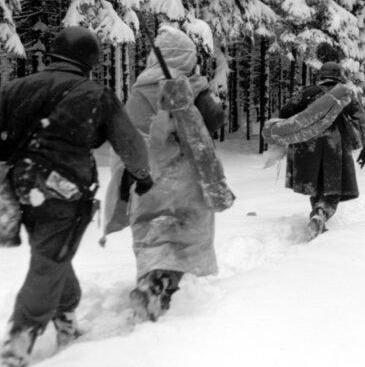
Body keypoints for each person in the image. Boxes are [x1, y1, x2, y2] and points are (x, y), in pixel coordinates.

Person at [0, 27, 152, 366]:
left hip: (15, 187)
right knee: (49, 259)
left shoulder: (13, 88)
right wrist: (142, 176)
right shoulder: (95, 94)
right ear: (90, 60)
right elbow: (131, 144)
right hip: (63, 190)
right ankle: (18, 344)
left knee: (52, 252)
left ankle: (66, 319)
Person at [102, 26, 227, 322]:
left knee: (151, 235)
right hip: (184, 179)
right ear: (186, 58)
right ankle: (161, 286)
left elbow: (126, 136)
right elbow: (214, 120)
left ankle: (149, 281)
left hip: (144, 179)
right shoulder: (192, 88)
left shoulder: (138, 91)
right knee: (184, 238)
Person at [279, 62, 365, 240]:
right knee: (332, 188)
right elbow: (361, 120)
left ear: (321, 75)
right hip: (334, 146)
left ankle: (317, 213)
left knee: (316, 185)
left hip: (306, 146)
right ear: (339, 75)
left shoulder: (306, 93)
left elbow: (284, 113)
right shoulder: (345, 94)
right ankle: (320, 215)